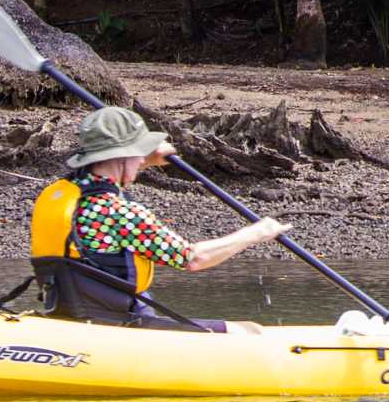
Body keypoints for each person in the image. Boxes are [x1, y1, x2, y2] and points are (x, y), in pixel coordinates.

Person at [28, 105, 286, 332]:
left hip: (72, 314)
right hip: (117, 325)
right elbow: (193, 259)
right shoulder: (121, 213)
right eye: (139, 152)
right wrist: (257, 234)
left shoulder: (64, 192)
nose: (143, 158)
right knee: (245, 330)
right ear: (121, 156)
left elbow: (113, 168)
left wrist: (146, 159)